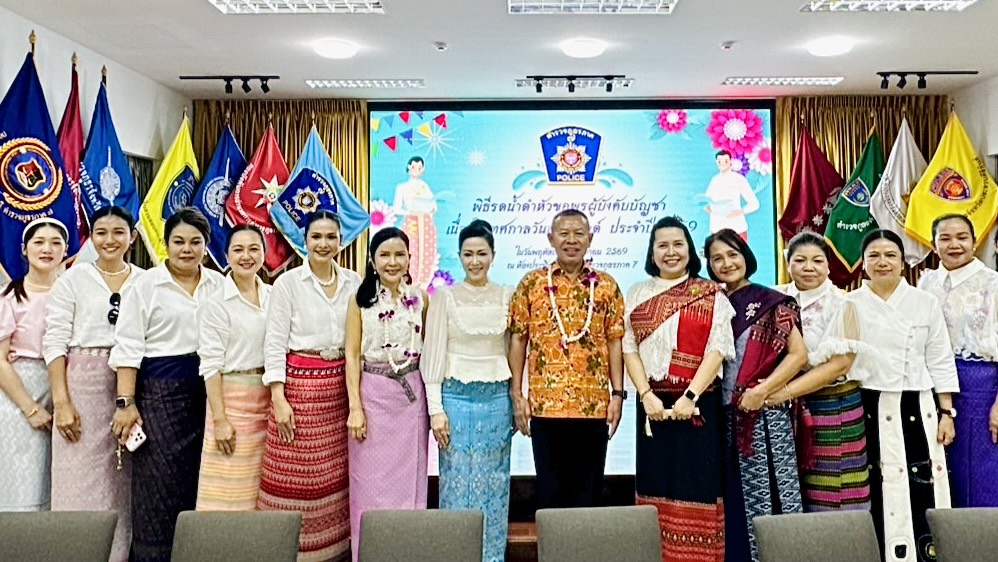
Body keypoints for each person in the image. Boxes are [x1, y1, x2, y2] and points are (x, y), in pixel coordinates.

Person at [109, 207, 224, 562]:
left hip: (209, 392)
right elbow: (128, 347)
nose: (187, 249)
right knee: (157, 483)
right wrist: (126, 403)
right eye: (178, 241)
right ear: (166, 244)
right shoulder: (145, 285)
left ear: (206, 245)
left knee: (202, 482)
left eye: (195, 242)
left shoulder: (219, 284)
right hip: (160, 393)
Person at [623, 217, 735, 561]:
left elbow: (718, 349)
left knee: (696, 487)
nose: (671, 252)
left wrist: (690, 396)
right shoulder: (637, 292)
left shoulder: (710, 293)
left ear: (689, 250)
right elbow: (629, 348)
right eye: (662, 245)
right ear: (652, 253)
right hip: (652, 407)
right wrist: (645, 395)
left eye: (678, 244)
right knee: (655, 485)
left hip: (698, 406)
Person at [847, 229, 958, 562]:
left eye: (890, 255)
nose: (882, 262)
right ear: (863, 263)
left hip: (917, 407)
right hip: (867, 407)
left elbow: (940, 357)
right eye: (874, 256)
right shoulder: (849, 303)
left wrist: (946, 412)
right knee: (877, 485)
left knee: (923, 484)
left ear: (902, 261)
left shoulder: (924, 302)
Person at [257, 210, 360, 561]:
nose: (324, 244)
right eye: (316, 237)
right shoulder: (287, 284)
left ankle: (331, 552)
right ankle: (288, 551)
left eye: (331, 237)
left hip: (340, 393)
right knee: (294, 477)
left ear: (341, 241)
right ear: (305, 241)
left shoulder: (354, 282)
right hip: (299, 393)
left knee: (333, 477)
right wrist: (278, 397)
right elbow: (274, 342)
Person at [508, 209, 626, 509]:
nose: (571, 240)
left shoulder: (607, 286)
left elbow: (615, 340)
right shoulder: (531, 284)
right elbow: (518, 338)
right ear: (551, 238)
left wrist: (618, 394)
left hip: (593, 407)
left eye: (578, 234)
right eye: (564, 234)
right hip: (545, 407)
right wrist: (517, 395)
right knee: (551, 495)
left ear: (590, 239)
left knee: (589, 496)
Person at [704, 228, 808, 562]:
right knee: (735, 498)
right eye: (717, 258)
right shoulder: (712, 304)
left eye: (732, 254)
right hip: (724, 417)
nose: (726, 263)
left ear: (746, 257)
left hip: (765, 417)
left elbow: (798, 356)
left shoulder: (770, 301)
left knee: (773, 497)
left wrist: (762, 391)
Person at [45, 206, 142, 561]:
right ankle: (74, 552)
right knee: (77, 477)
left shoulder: (146, 280)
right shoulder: (73, 279)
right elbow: (54, 342)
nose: (110, 240)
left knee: (122, 479)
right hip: (82, 387)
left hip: (133, 386)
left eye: (118, 232)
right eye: (101, 232)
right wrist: (62, 402)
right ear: (91, 237)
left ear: (132, 237)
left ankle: (117, 555)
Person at [421, 219, 513, 562]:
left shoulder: (508, 296)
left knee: (495, 483)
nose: (475, 261)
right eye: (468, 254)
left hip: (497, 401)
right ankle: (455, 555)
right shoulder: (444, 297)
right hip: (455, 400)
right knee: (456, 481)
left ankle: (492, 556)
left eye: (482, 253)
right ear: (459, 256)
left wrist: (517, 401)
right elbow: (433, 356)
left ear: (493, 255)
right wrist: (436, 411)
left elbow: (514, 354)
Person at [346, 227, 429, 562]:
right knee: (369, 484)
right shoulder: (360, 300)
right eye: (385, 255)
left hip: (410, 400)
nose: (392, 262)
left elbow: (428, 352)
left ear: (409, 258)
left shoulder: (421, 299)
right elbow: (352, 354)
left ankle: (408, 554)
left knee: (410, 484)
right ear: (372, 260)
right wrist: (355, 408)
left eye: (399, 255)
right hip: (372, 397)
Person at [774, 231, 871, 513]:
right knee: (789, 488)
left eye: (817, 261)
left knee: (834, 492)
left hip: (833, 405)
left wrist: (783, 392)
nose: (809, 267)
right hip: (784, 408)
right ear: (787, 262)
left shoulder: (843, 303)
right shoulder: (775, 298)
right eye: (800, 260)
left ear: (828, 265)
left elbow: (840, 364)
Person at [919, 214, 998, 508]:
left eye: (962, 238)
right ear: (933, 244)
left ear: (975, 243)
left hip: (980, 387)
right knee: (939, 472)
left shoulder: (993, 283)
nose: (955, 244)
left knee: (979, 474)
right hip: (931, 385)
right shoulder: (927, 282)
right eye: (945, 238)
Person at [195, 225, 271, 513]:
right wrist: (220, 420)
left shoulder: (275, 296)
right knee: (227, 490)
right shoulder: (215, 304)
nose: (246, 256)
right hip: (232, 402)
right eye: (238, 250)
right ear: (226, 255)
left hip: (268, 401)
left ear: (264, 253)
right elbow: (210, 367)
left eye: (253, 249)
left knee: (262, 491)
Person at [0, 218, 68, 512]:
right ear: (24, 250)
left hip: (66, 388)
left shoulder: (72, 294)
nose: (47, 249)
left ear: (66, 250)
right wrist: (30, 408)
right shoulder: (8, 297)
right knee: (22, 481)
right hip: (19, 393)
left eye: (55, 243)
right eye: (39, 242)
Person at [393, 156, 438, 288]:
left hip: (425, 222)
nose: (416, 170)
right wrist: (409, 211)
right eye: (413, 167)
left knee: (427, 251)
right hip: (411, 222)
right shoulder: (402, 187)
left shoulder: (424, 186)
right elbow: (396, 208)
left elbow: (433, 205)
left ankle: (424, 283)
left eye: (419, 167)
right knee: (411, 249)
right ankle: (409, 282)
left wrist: (430, 209)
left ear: (423, 169)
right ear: (408, 167)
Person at [704, 150, 760, 241]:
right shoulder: (715, 180)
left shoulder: (738, 179)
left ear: (730, 161)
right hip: (717, 229)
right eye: (719, 161)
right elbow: (706, 201)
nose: (722, 164)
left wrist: (741, 211)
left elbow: (754, 203)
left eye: (725, 161)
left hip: (737, 229)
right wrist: (709, 208)